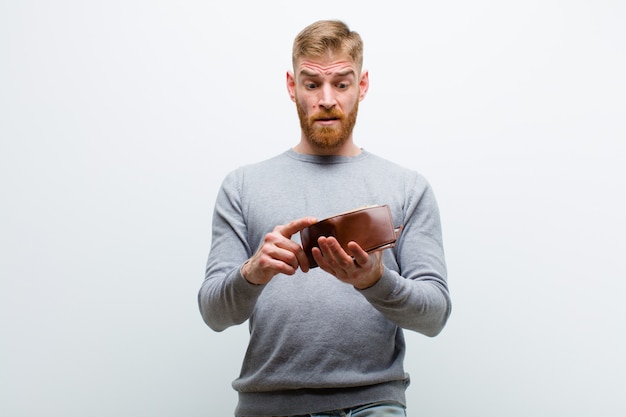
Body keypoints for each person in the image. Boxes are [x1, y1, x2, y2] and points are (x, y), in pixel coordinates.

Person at [198, 19, 451, 417]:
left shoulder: (407, 187)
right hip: (269, 407)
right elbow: (213, 313)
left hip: (373, 404)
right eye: (312, 83)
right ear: (291, 85)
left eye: (342, 83)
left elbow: (435, 314)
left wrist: (374, 281)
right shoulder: (242, 186)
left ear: (362, 85)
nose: (327, 99)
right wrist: (252, 273)